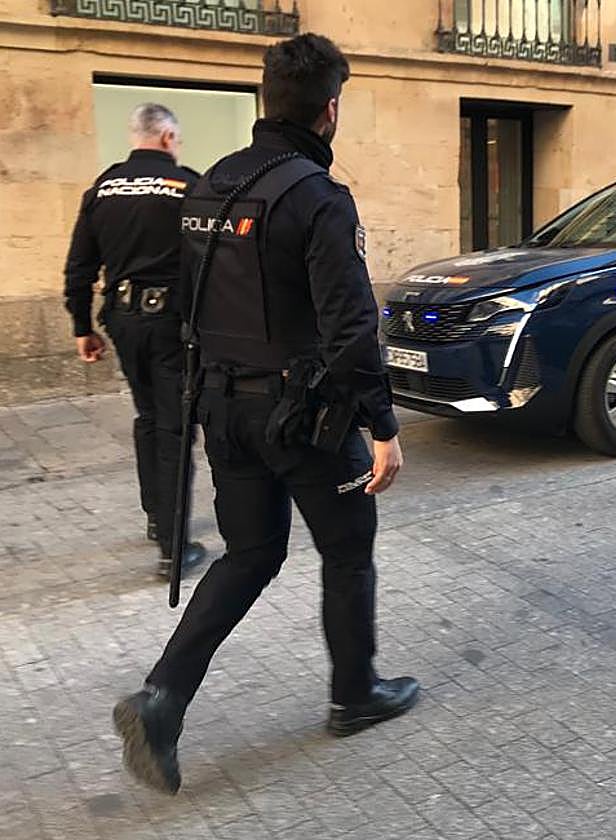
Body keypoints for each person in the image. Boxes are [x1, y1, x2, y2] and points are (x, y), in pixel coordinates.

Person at [112, 33, 418, 795]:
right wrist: (383, 427)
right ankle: (355, 695)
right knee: (347, 553)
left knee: (250, 554)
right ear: (330, 111)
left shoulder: (211, 184)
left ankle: (163, 698)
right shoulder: (318, 198)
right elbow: (351, 329)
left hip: (225, 410)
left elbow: (190, 307)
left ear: (267, 99)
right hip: (306, 417)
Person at [64, 103, 207, 578]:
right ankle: (173, 546)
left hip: (123, 321)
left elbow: (80, 267)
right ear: (167, 137)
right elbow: (212, 264)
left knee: (148, 416)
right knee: (175, 426)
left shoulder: (102, 188)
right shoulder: (188, 185)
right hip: (173, 325)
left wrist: (83, 327)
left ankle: (155, 516)